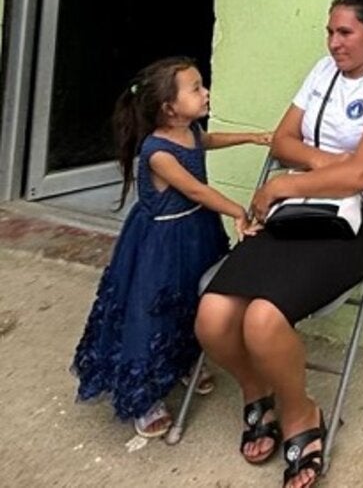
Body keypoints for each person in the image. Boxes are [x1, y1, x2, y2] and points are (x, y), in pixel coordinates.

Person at [197, 0, 363, 488]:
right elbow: (284, 138)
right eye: (329, 32)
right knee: (212, 314)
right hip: (297, 210)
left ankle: (300, 414)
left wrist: (286, 181)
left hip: (355, 221)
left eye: (346, 32)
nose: (335, 43)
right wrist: (320, 164)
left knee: (264, 319)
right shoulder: (322, 73)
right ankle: (257, 393)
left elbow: (362, 177)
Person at [70, 57, 269, 438]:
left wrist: (254, 136)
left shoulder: (190, 130)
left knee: (191, 299)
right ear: (168, 107)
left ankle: (180, 362)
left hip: (195, 230)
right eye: (195, 88)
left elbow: (205, 142)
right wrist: (237, 211)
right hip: (161, 242)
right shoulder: (157, 151)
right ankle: (144, 397)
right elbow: (194, 189)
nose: (205, 91)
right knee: (153, 309)